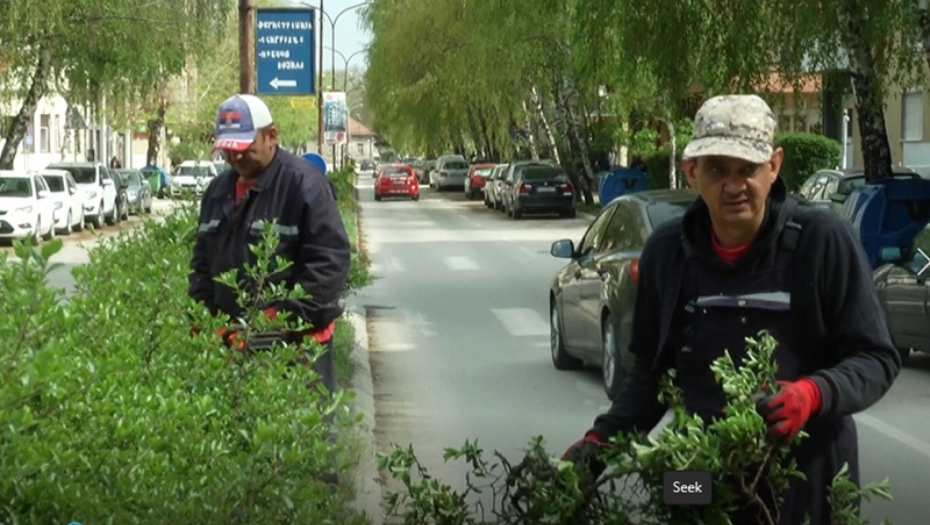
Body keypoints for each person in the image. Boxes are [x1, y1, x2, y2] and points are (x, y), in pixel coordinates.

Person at [561, 94, 901, 524]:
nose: (734, 185)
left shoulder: (823, 240)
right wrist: (599, 444)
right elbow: (649, 374)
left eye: (748, 170)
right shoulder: (666, 252)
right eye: (718, 169)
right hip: (698, 479)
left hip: (804, 484)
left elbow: (877, 357)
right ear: (692, 171)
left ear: (774, 166)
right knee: (676, 496)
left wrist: (811, 394)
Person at [188, 93, 352, 396]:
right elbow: (201, 266)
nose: (234, 158)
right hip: (231, 352)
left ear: (271, 137)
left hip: (297, 354)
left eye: (243, 149)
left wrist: (269, 324)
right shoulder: (216, 192)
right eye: (227, 150)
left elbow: (329, 264)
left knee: (303, 439)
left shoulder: (306, 186)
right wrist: (206, 321)